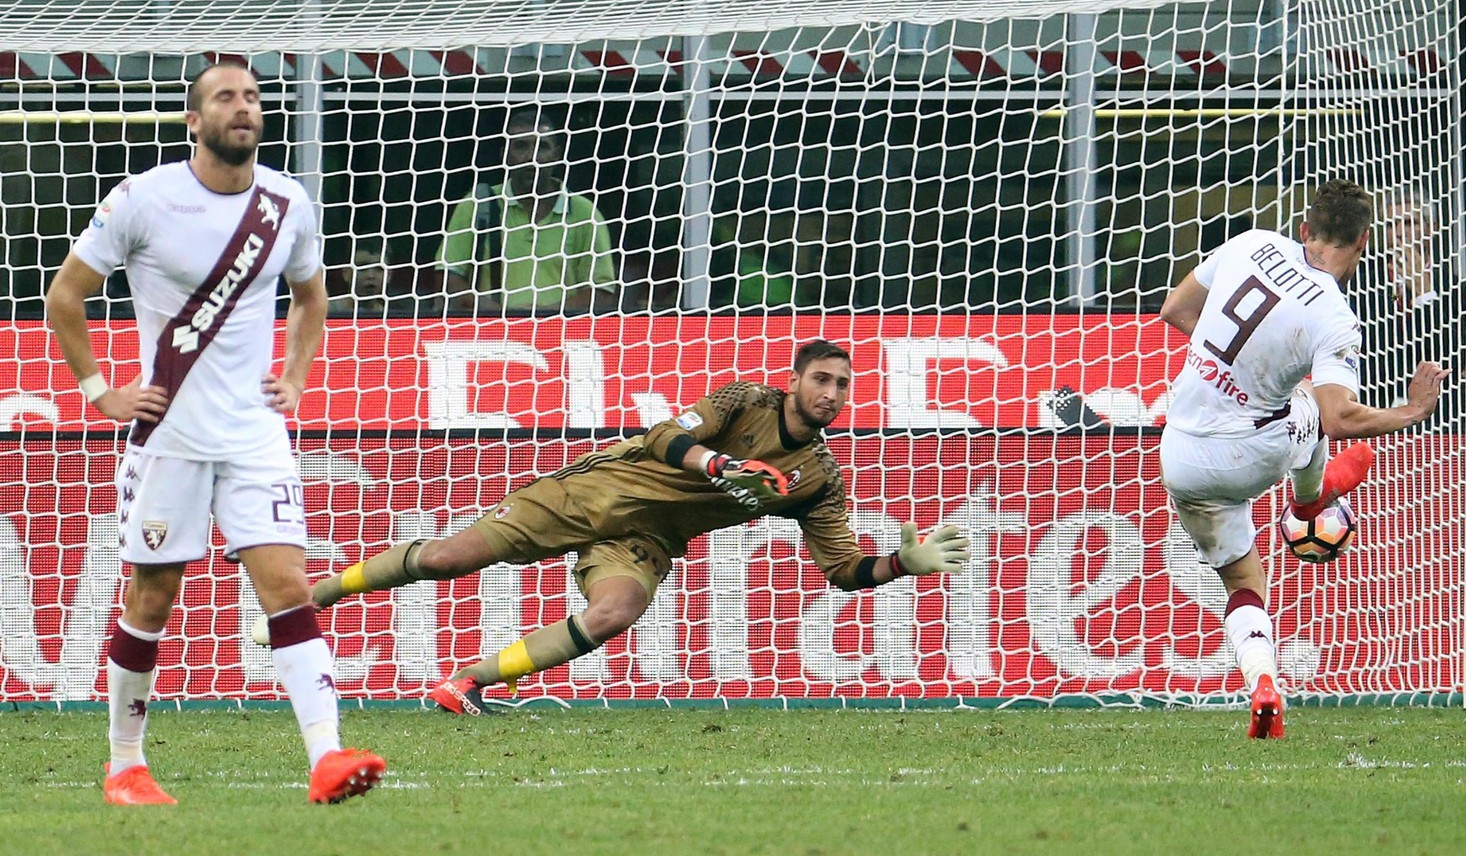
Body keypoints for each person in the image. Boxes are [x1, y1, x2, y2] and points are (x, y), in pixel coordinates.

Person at [43, 62, 386, 805]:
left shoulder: (287, 202)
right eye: (226, 97)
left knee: (289, 585)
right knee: (153, 598)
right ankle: (125, 765)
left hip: (252, 436)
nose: (244, 107)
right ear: (194, 122)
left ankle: (326, 758)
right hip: (167, 436)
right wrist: (101, 390)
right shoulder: (144, 199)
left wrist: (294, 376)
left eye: (254, 97)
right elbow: (65, 295)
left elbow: (311, 295)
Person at [291, 341, 971, 714]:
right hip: (596, 491)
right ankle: (317, 594)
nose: (832, 393)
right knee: (445, 559)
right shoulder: (743, 401)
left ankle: (465, 683)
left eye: (843, 385)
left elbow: (842, 571)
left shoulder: (818, 478)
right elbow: (663, 437)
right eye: (821, 379)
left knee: (618, 611)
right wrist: (720, 464)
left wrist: (902, 563)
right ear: (793, 381)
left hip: (645, 541)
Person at [1157, 179, 1446, 739]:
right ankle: (1311, 503)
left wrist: (1235, 373)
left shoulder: (1249, 242)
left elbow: (1175, 309)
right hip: (1252, 452)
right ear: (1364, 240)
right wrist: (1412, 411)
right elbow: (1340, 418)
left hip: (1181, 453)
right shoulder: (1334, 315)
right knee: (1311, 403)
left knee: (1242, 580)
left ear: (1305, 229)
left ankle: (1264, 682)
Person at [436, 109, 617, 314]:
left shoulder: (584, 213)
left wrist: (541, 320)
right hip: (491, 337)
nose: (531, 157)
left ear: (557, 155)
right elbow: (448, 278)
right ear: (505, 153)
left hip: (563, 337)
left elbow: (601, 292)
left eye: (542, 147)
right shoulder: (477, 204)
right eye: (521, 146)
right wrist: (502, 317)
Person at [1348, 186, 1462, 427]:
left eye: (1409, 223)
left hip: (1440, 421)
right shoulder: (1360, 284)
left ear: (1431, 228)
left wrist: (1424, 293)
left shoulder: (1456, 288)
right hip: (1374, 411)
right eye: (1391, 225)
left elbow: (1454, 359)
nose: (1399, 233)